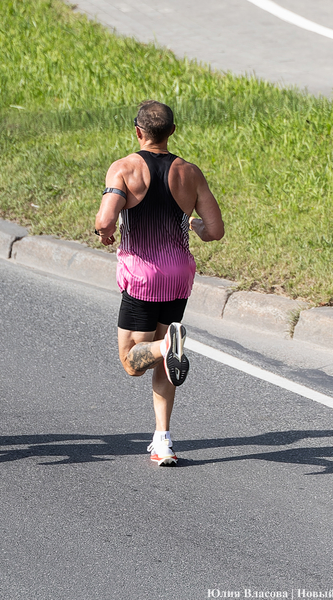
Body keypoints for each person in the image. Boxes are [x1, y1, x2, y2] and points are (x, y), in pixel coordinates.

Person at [94, 100, 224, 467]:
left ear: (138, 131)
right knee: (166, 361)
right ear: (172, 131)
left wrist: (105, 232)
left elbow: (105, 220)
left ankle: (166, 346)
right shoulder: (190, 173)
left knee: (132, 362)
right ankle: (163, 441)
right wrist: (195, 226)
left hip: (142, 277)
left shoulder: (125, 169)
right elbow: (215, 230)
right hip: (179, 276)